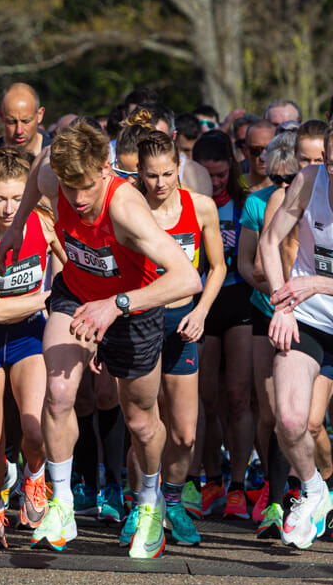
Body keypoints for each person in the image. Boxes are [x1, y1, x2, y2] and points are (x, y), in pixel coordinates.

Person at [0, 118, 200, 558]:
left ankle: (148, 503)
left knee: (141, 421)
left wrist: (118, 304)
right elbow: (37, 174)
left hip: (134, 311)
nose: (79, 199)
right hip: (78, 295)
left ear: (106, 170)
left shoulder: (126, 209)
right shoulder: (55, 174)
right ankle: (62, 502)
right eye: (70, 189)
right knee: (58, 393)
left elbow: (188, 278)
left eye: (87, 186)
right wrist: (18, 224)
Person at [123, 127, 226, 547]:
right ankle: (141, 504)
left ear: (178, 167)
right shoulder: (129, 209)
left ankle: (172, 500)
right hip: (139, 323)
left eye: (167, 174)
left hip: (184, 322)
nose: (161, 184)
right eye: (151, 176)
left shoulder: (200, 208)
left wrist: (201, 311)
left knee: (184, 432)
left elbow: (217, 267)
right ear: (139, 175)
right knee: (144, 426)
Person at [0, 148, 63, 547]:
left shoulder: (42, 223)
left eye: (16, 198)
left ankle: (35, 478)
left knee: (34, 430)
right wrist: (50, 298)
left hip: (29, 337)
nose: (7, 209)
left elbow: (72, 268)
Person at [258, 124, 333, 548]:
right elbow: (270, 242)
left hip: (316, 294)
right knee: (288, 418)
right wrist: (281, 303)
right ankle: (312, 489)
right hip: (310, 318)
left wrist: (319, 284)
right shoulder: (309, 180)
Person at [189, 129, 255, 517]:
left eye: (220, 175)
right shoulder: (190, 205)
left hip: (237, 299)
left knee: (238, 396)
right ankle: (211, 477)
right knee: (206, 399)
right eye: (207, 176)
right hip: (200, 302)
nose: (215, 183)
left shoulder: (243, 203)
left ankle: (239, 484)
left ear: (231, 167)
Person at [237, 132, 300, 538]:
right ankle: (275, 492)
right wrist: (279, 294)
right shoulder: (260, 201)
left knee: (299, 415)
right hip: (269, 310)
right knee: (271, 411)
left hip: (310, 312)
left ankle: (296, 490)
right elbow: (250, 264)